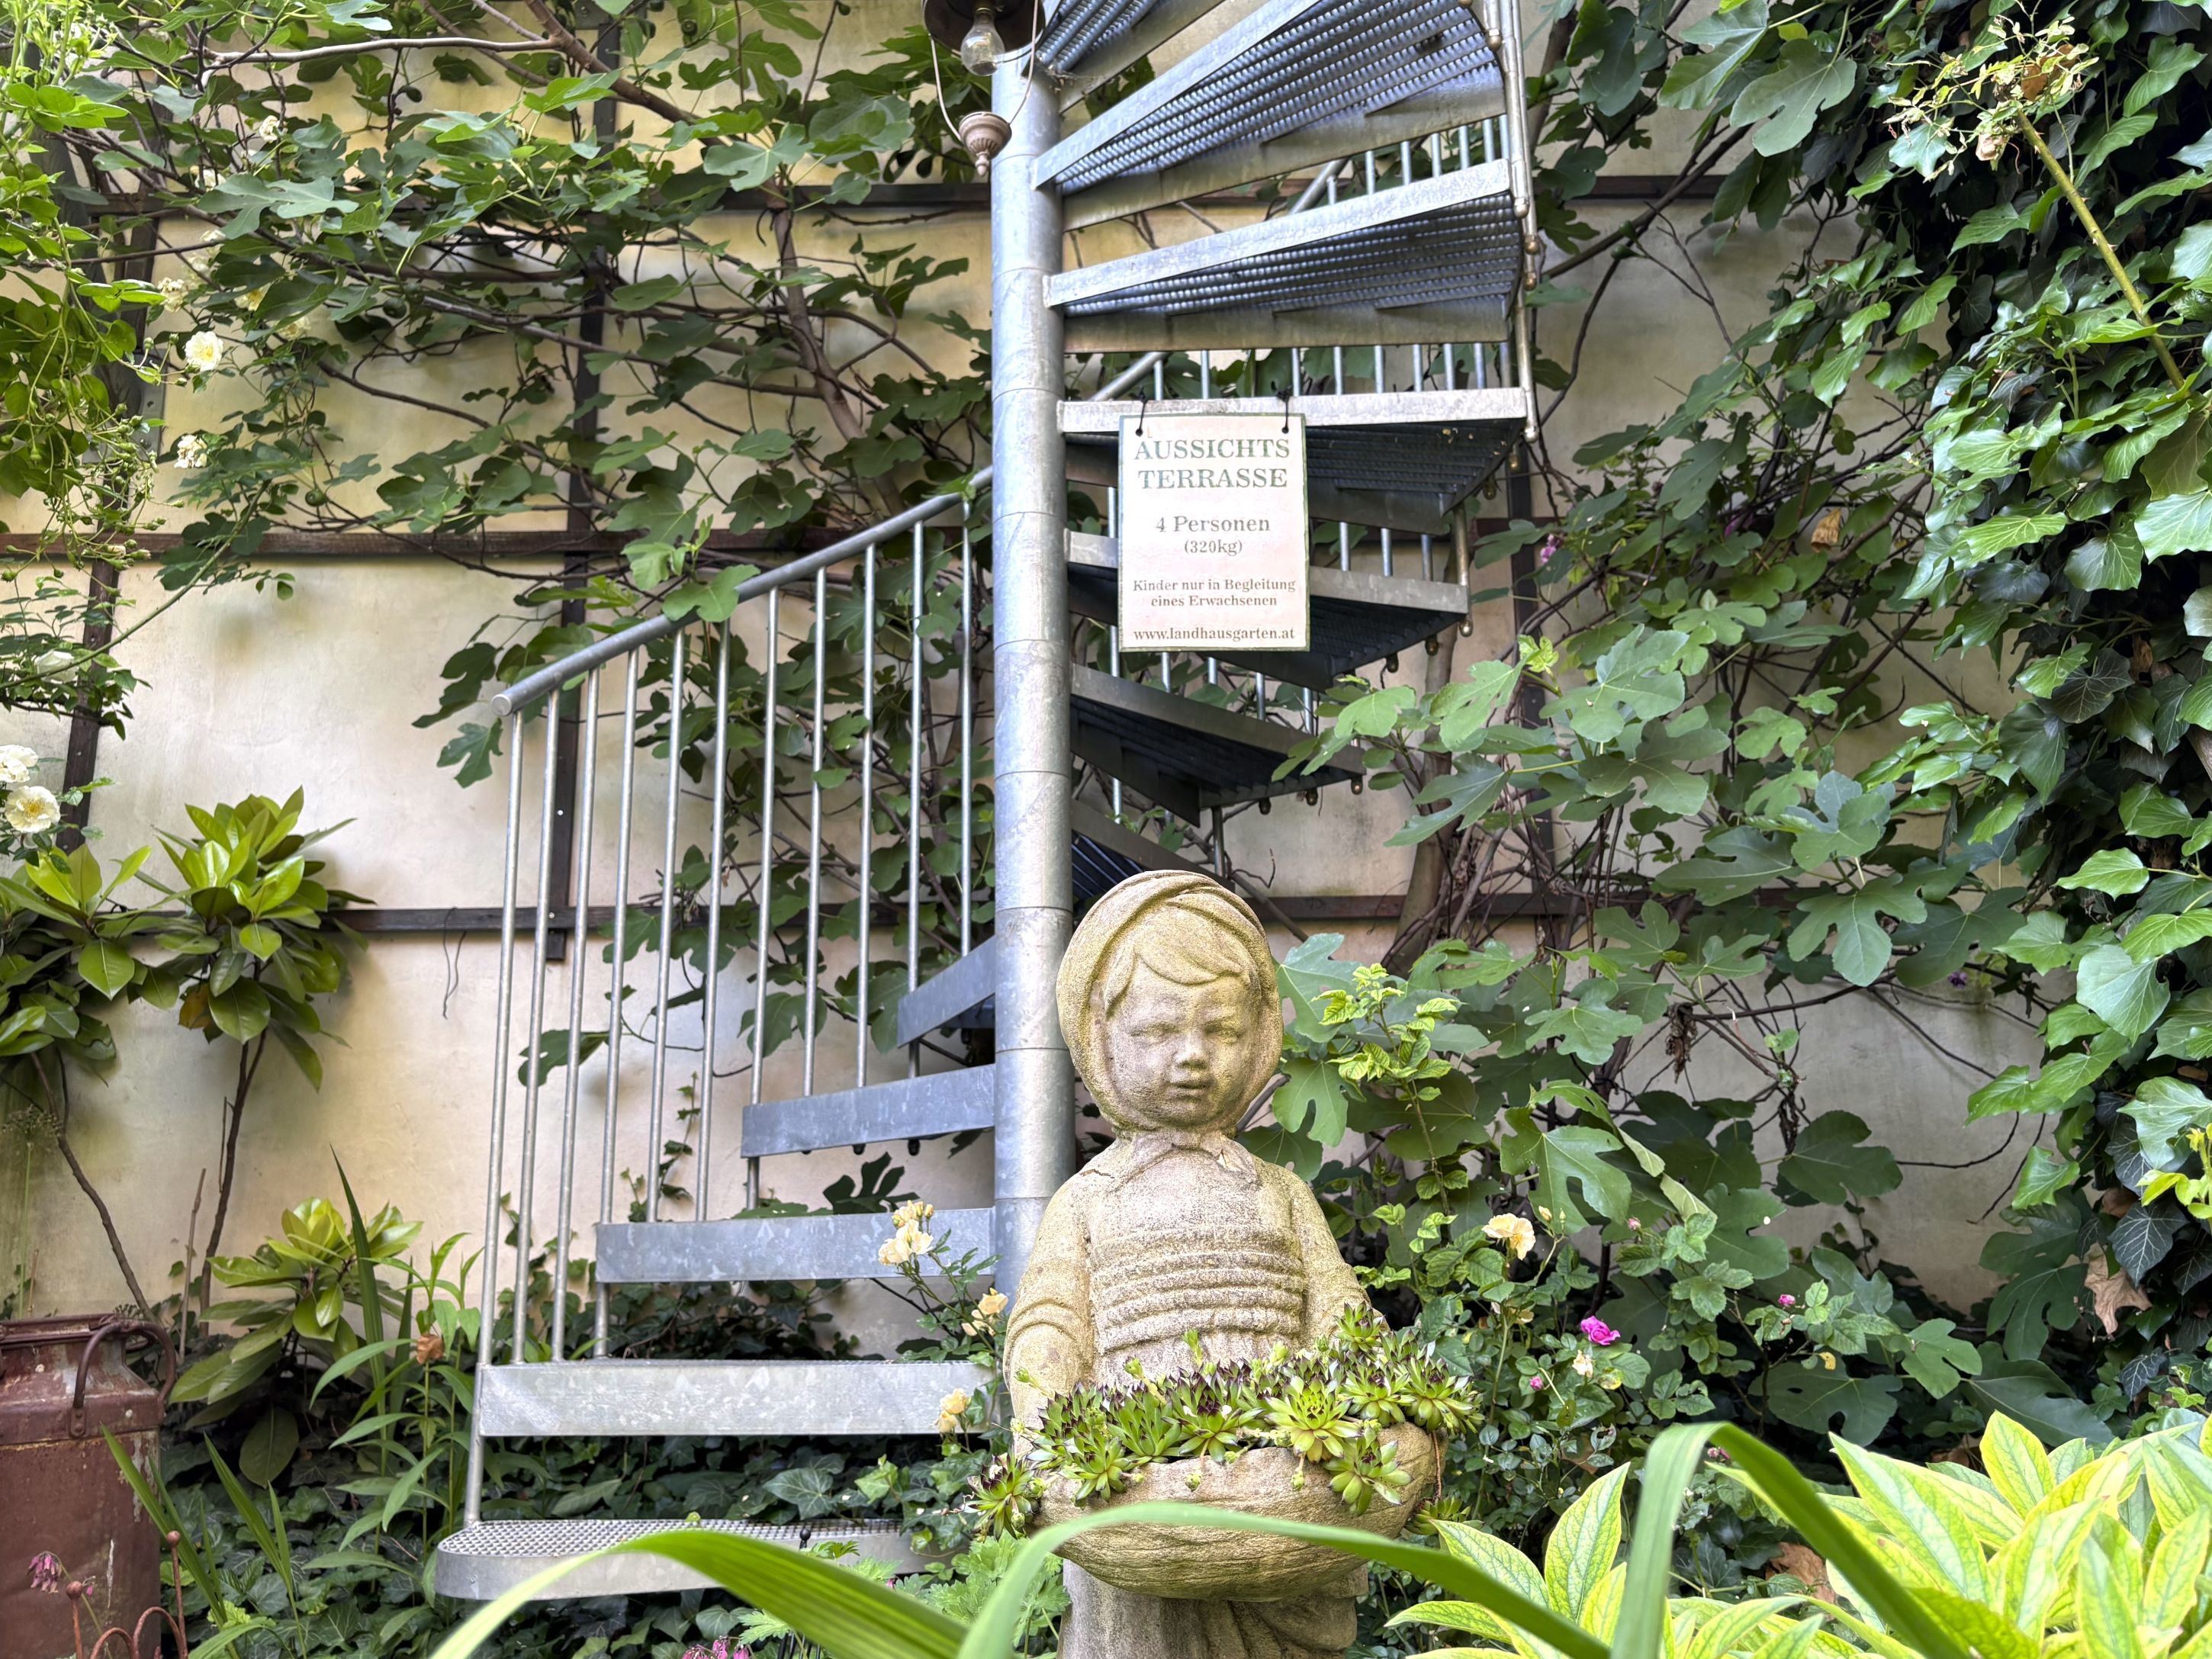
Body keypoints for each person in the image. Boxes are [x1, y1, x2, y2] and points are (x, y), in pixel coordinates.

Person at [1006, 870, 1368, 1659]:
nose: (1192, 1057)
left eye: (1222, 1032)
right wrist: (1041, 1423)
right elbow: (1049, 1324)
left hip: (1283, 1467)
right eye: (1155, 1032)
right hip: (1141, 1479)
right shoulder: (1089, 1199)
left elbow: (1339, 1310)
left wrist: (1359, 1405)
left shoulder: (1278, 1191)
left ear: (1262, 1034)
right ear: (1099, 1041)